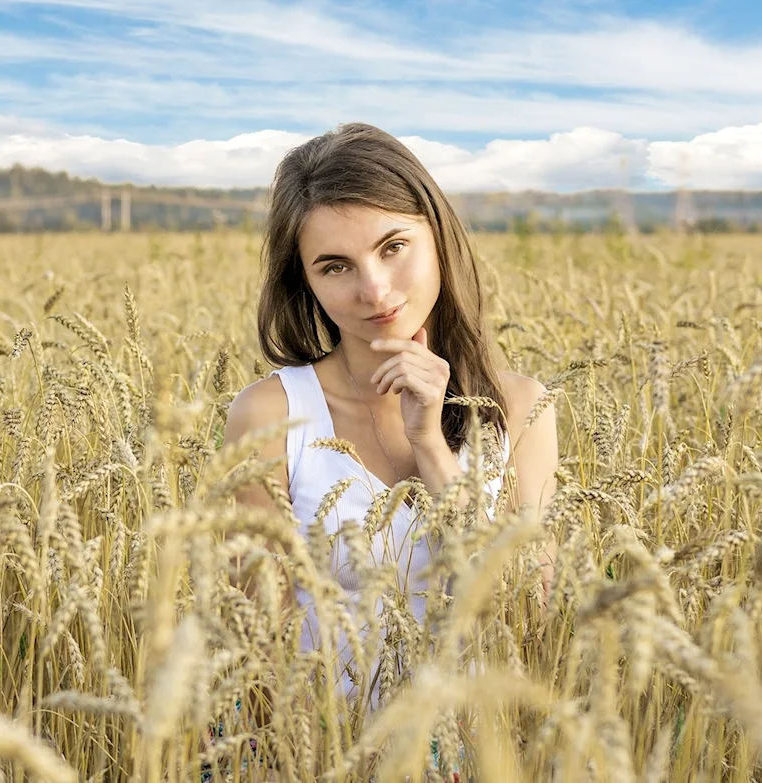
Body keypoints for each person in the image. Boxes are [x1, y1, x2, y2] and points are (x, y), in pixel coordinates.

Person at [223, 121, 558, 717]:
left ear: (438, 237)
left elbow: (526, 611)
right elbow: (255, 649)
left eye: (392, 247)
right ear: (307, 283)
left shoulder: (521, 410)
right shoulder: (273, 415)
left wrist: (429, 444)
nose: (374, 291)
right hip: (324, 755)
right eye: (335, 266)